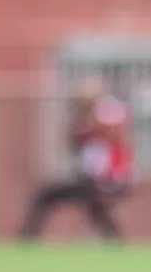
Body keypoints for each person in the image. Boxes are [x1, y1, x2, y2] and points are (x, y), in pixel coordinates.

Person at [18, 78, 133, 243]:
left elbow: (114, 134)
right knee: (88, 206)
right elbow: (73, 143)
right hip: (90, 179)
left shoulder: (108, 116)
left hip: (108, 179)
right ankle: (114, 241)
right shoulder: (84, 124)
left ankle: (27, 238)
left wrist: (90, 120)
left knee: (93, 204)